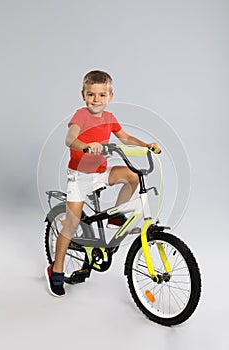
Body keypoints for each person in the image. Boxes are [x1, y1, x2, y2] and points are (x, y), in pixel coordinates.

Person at [45, 70, 161, 297]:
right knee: (71, 223)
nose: (96, 99)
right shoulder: (80, 115)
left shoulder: (110, 118)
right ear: (83, 95)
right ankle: (56, 270)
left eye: (101, 95)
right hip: (79, 176)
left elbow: (125, 138)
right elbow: (70, 138)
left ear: (110, 96)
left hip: (99, 172)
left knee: (133, 176)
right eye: (91, 94)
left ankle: (115, 217)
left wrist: (146, 145)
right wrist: (86, 146)